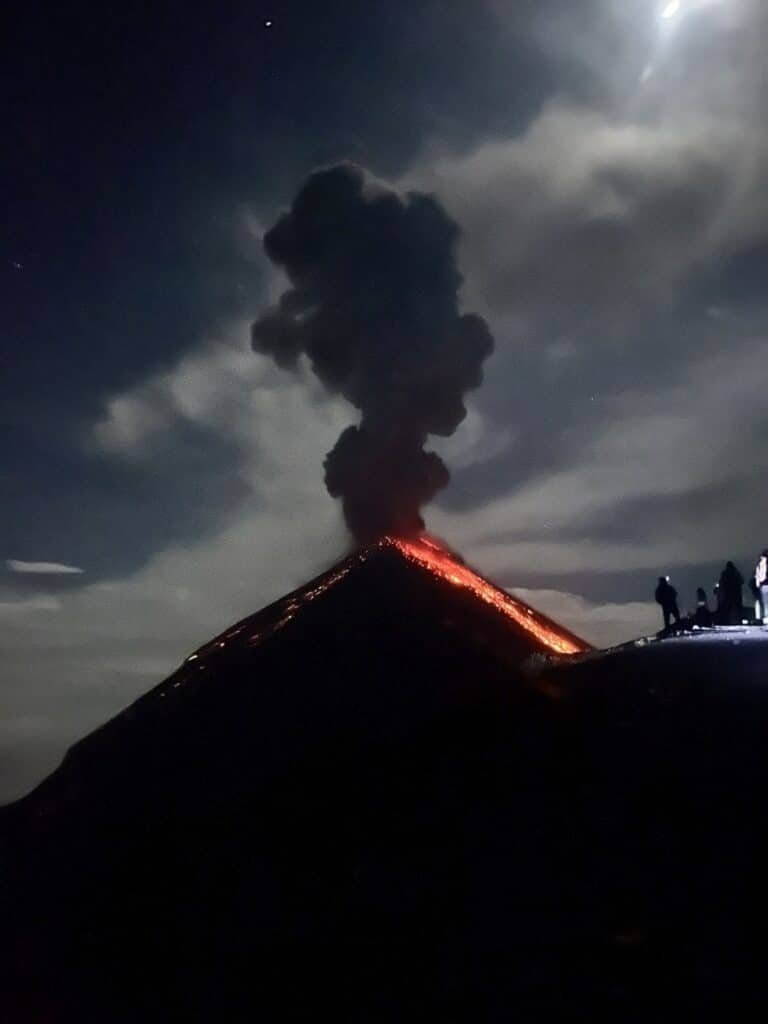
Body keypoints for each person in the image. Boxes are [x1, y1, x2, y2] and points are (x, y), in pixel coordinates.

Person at [755, 550, 768, 625]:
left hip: (763, 585)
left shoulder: (760, 563)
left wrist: (758, 583)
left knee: (765, 602)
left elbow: (758, 575)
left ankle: (766, 617)